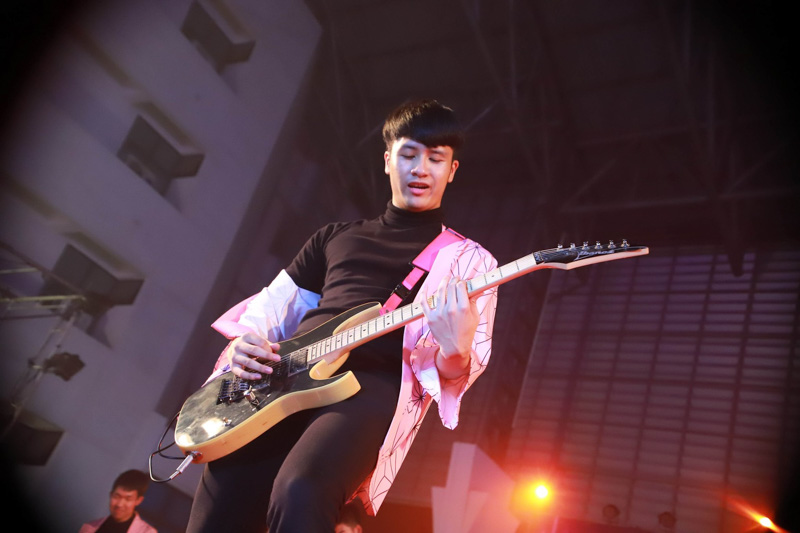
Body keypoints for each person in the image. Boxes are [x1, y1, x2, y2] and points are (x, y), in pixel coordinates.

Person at [186, 99, 498, 532]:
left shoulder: (471, 262)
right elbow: (268, 311)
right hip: (287, 376)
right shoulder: (334, 237)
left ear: (452, 170)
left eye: (435, 158)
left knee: (301, 489)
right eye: (409, 154)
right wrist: (244, 344)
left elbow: (455, 371)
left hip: (372, 387)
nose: (420, 169)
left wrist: (456, 348)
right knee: (223, 491)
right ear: (387, 160)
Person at [79, 469, 157, 533]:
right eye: (116, 496)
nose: (120, 504)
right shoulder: (89, 528)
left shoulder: (147, 532)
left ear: (139, 500)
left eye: (128, 499)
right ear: (111, 495)